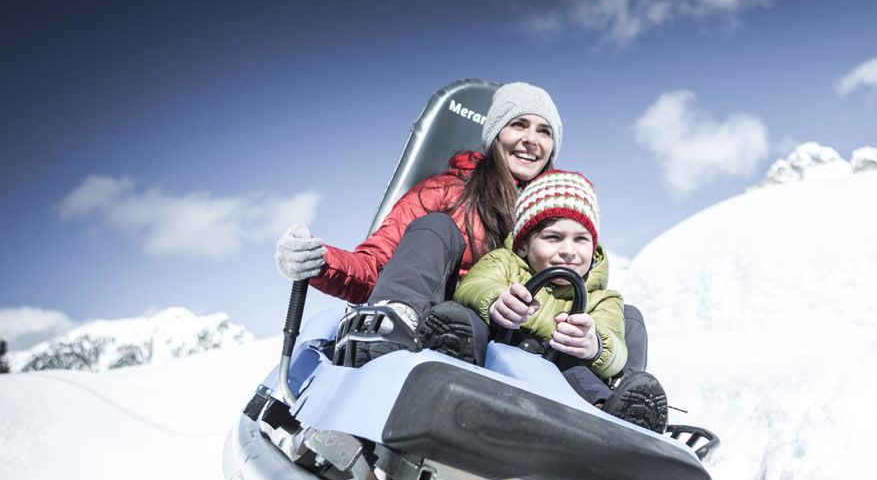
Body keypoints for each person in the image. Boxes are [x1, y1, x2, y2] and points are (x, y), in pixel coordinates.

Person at [274, 81, 649, 374]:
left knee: (626, 317)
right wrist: (321, 262)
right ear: (495, 134)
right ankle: (391, 331)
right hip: (447, 327)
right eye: (518, 124)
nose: (531, 140)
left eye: (544, 131)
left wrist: (594, 340)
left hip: (531, 343)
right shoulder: (444, 192)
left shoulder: (563, 214)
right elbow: (379, 268)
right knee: (436, 228)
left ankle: (619, 414)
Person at [418, 170, 668, 433]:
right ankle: (449, 356)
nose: (568, 251)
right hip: (493, 350)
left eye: (581, 239)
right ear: (524, 245)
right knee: (466, 320)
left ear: (593, 249)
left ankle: (611, 413)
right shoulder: (504, 263)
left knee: (578, 370)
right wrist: (495, 303)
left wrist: (594, 345)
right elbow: (474, 285)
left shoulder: (603, 299)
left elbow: (615, 345)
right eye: (553, 237)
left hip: (558, 372)